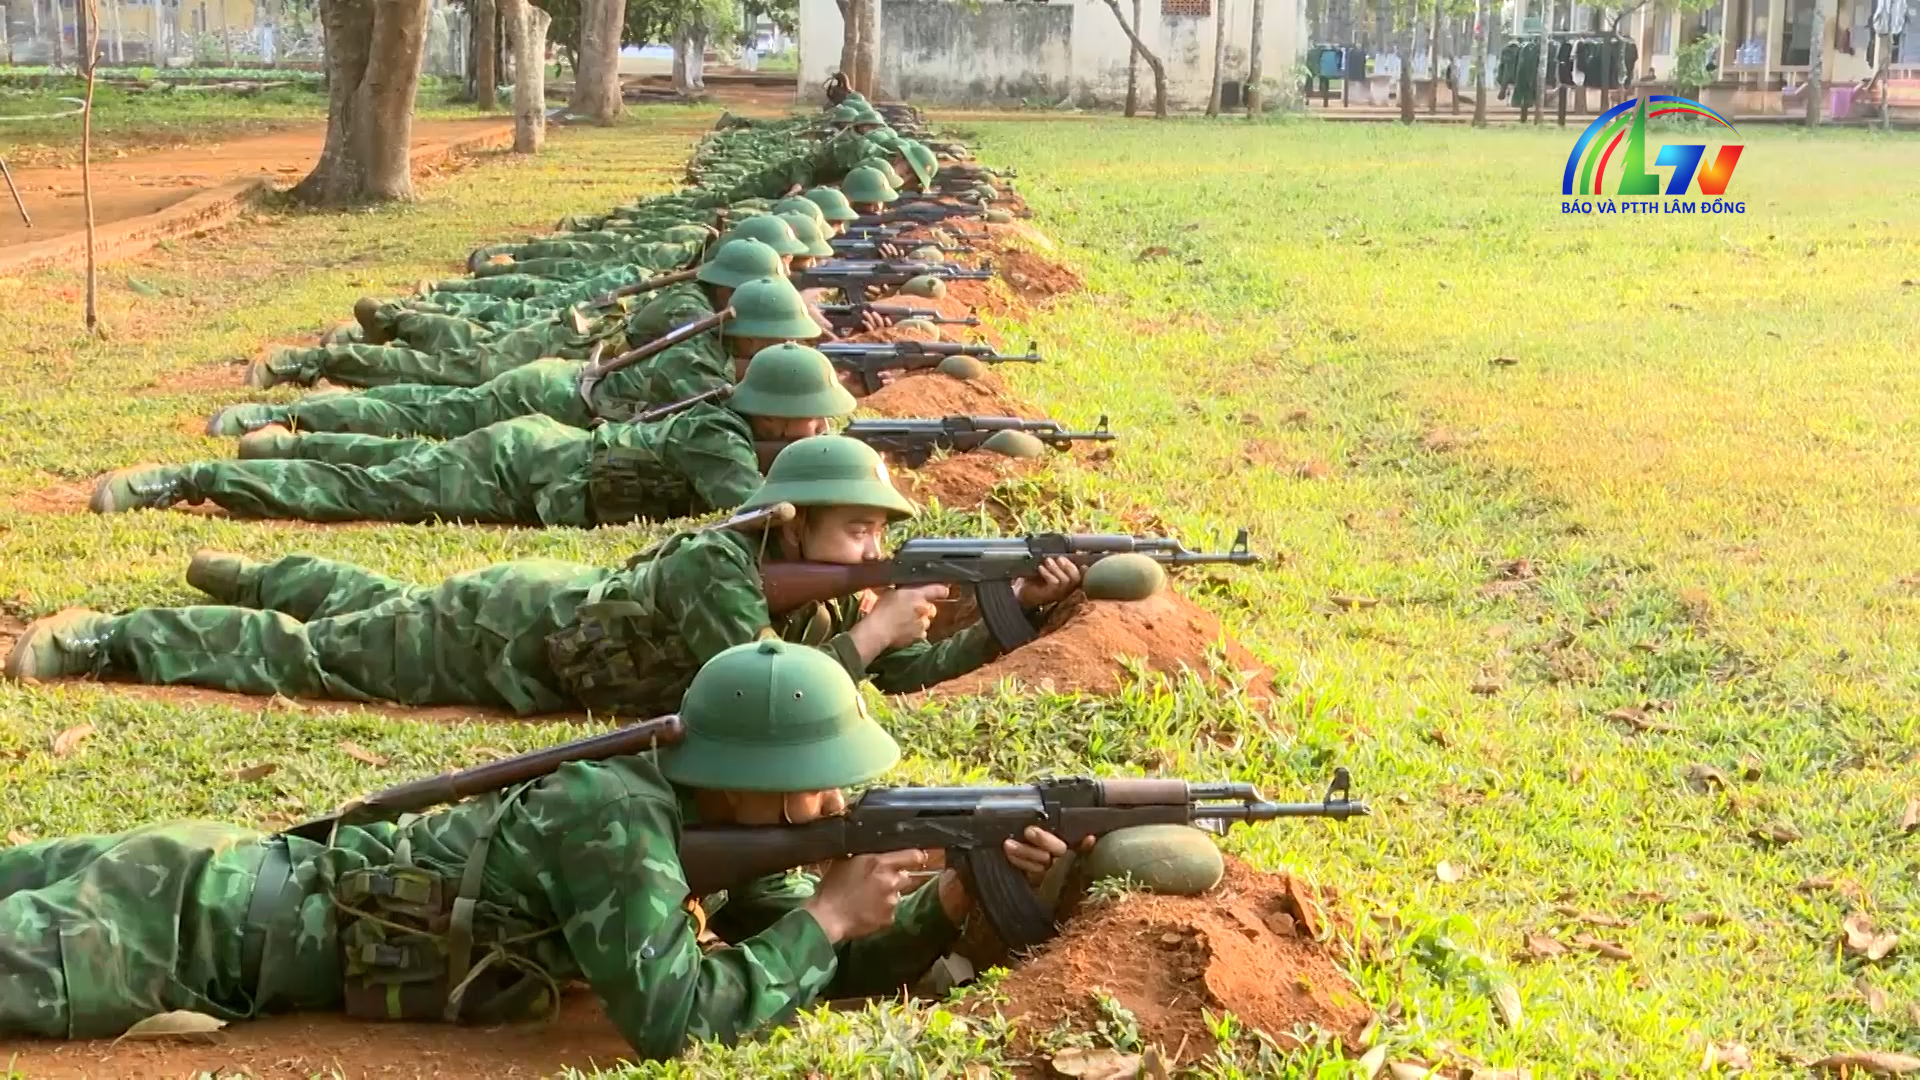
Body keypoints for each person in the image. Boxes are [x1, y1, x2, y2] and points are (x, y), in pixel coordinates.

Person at [0, 639, 1085, 1058]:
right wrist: (827, 913)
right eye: (824, 773)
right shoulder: (616, 823)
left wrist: (934, 912)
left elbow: (800, 963)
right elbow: (675, 1019)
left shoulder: (706, 830)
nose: (844, 793)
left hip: (222, 885)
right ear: (750, 776)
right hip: (192, 927)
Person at [6, 436, 1079, 718]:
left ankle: (261, 568)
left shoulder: (834, 591)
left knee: (366, 604)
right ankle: (103, 638)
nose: (864, 557)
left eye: (874, 538)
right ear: (789, 526)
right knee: (322, 658)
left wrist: (1006, 618)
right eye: (852, 534)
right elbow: (762, 701)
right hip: (502, 636)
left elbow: (887, 680)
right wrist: (876, 629)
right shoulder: (720, 565)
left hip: (542, 614)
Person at [89, 344, 856, 528]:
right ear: (775, 414)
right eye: (815, 420)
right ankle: (190, 480)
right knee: (377, 486)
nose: (822, 430)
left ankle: (285, 443)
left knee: (398, 462)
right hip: (527, 470)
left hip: (540, 458)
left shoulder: (734, 418)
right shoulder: (719, 439)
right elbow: (763, 515)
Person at [204, 270, 822, 444]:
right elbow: (755, 415)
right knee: (437, 393)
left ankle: (327, 394)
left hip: (567, 385)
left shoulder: (716, 346)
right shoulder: (699, 356)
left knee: (437, 394)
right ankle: (300, 382)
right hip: (549, 387)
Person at [242, 238, 786, 393]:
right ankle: (311, 360)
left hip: (574, 345)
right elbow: (708, 379)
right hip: (566, 350)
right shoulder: (690, 311)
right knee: (458, 370)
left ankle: (392, 321)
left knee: (469, 349)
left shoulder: (708, 309)